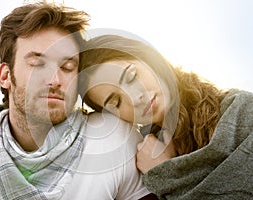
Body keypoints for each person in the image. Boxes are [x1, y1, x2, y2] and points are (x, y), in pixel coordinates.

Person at [0, 3, 154, 200]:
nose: (55, 81)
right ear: (5, 76)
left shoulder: (114, 139)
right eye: (38, 64)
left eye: (67, 67)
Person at [78, 34, 253, 199]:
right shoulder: (142, 161)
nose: (135, 97)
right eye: (116, 102)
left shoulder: (242, 110)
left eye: (132, 76)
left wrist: (167, 173)